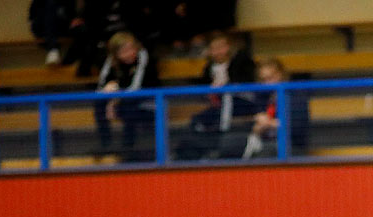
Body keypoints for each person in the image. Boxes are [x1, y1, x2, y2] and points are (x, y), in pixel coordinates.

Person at [175, 30, 256, 161]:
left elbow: (246, 81)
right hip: (219, 106)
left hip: (243, 100)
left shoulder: (241, 61)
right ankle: (201, 147)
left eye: (221, 47)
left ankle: (224, 131)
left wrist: (226, 86)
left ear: (229, 47)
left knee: (227, 97)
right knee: (197, 120)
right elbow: (203, 87)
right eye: (214, 48)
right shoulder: (209, 68)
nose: (218, 51)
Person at [92, 30, 159, 162]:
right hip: (124, 101)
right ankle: (106, 144)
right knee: (99, 103)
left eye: (131, 49)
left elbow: (136, 88)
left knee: (129, 106)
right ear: (116, 54)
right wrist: (109, 89)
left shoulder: (144, 57)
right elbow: (101, 88)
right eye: (124, 51)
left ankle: (128, 148)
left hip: (150, 101)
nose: (129, 53)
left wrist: (114, 101)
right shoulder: (111, 61)